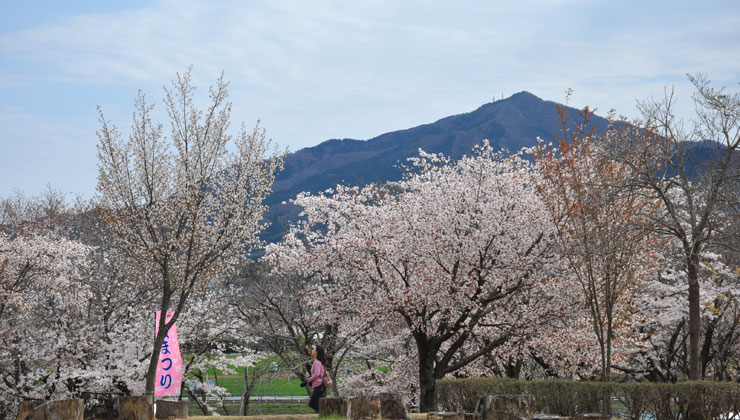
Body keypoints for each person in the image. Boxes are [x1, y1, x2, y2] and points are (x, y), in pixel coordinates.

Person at [304, 345, 327, 413]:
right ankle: (321, 414)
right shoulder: (319, 362)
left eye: (313, 349)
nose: (312, 350)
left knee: (313, 404)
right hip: (319, 386)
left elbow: (317, 374)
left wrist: (309, 380)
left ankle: (322, 415)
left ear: (316, 352)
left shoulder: (316, 362)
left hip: (318, 385)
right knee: (315, 404)